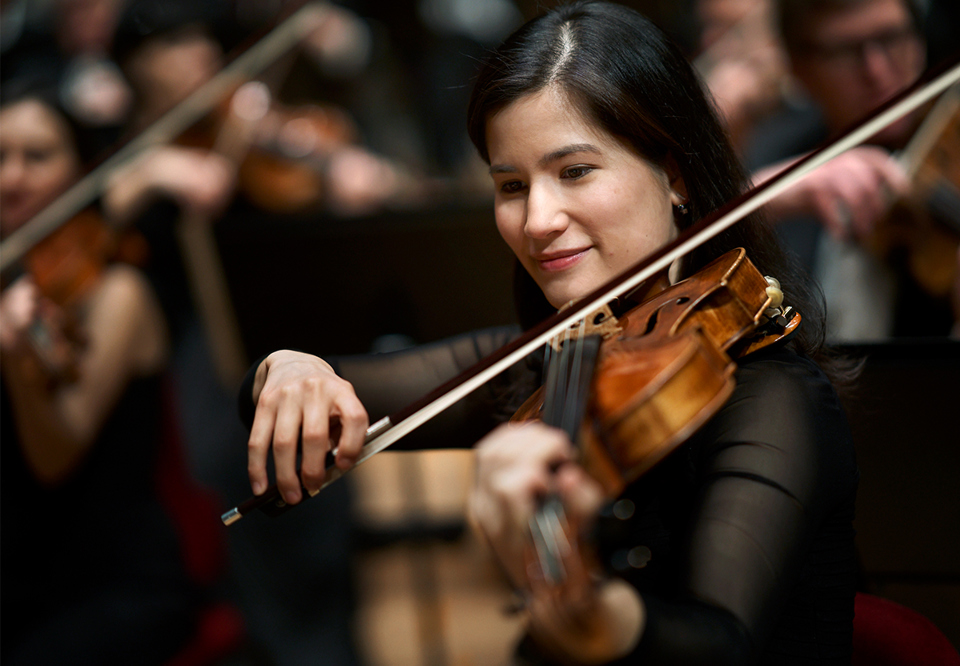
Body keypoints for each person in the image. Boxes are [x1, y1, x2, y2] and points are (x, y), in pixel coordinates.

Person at [238, 2, 861, 663]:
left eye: (575, 172)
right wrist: (290, 368)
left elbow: (722, 643)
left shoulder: (773, 395)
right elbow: (321, 392)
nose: (536, 219)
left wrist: (591, 611)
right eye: (510, 185)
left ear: (673, 174)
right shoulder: (564, 357)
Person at [0, 80, 197, 664]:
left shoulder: (119, 292)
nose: (12, 178)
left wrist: (13, 355)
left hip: (112, 584)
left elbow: (57, 453)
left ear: (81, 170)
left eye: (37, 156)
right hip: (18, 576)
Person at [747, 0, 959, 339]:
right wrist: (780, 194)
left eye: (891, 38)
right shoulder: (779, 147)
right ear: (797, 67)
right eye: (845, 51)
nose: (877, 70)